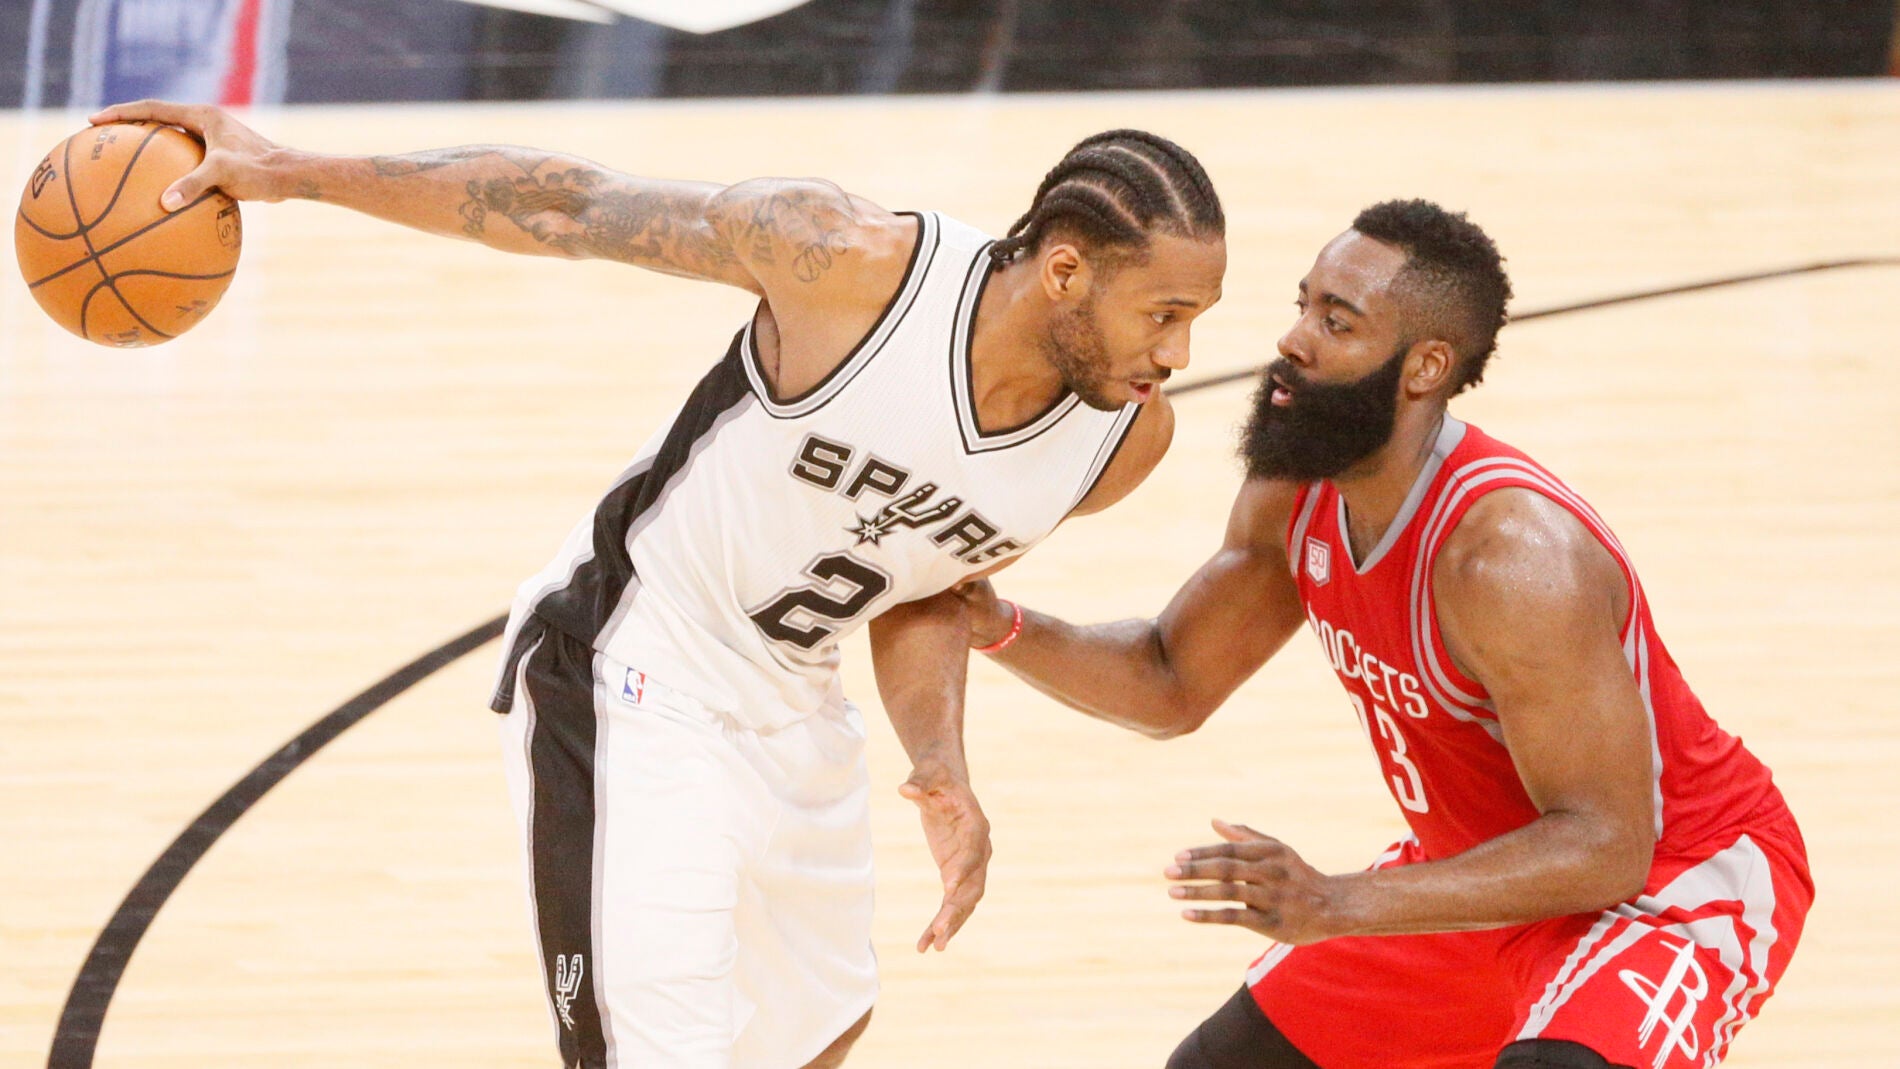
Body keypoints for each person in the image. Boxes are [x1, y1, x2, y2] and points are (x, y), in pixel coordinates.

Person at [87, 100, 1226, 1068]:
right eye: (1162, 314)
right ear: (1066, 272)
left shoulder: (1119, 440)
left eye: (1193, 324)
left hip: (794, 703)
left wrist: (939, 760)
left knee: (820, 1033)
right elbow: (566, 203)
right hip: (634, 663)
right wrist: (288, 172)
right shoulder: (847, 264)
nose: (1173, 353)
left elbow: (928, 584)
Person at [954, 200, 1811, 1069]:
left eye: (1337, 321)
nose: (1293, 339)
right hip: (1481, 872)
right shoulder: (1296, 487)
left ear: (1424, 366)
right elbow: (1169, 678)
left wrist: (1334, 901)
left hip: (1667, 882)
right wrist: (997, 625)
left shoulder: (1509, 561)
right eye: (1302, 304)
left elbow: (1606, 843)